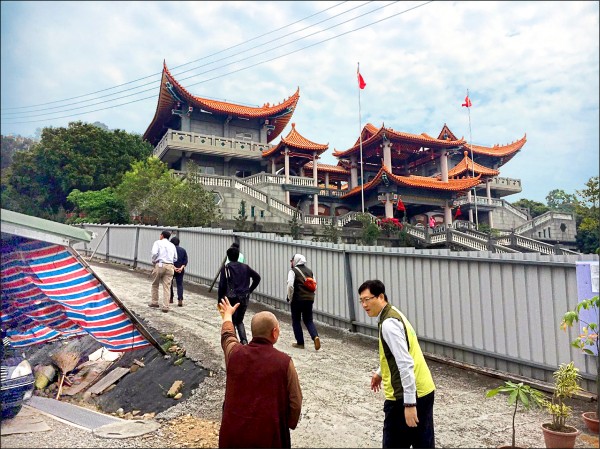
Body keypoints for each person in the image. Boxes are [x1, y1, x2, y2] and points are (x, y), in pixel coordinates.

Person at [358, 279, 435, 448]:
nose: (364, 305)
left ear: (380, 297)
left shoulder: (388, 324)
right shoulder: (393, 314)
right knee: (423, 443)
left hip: (407, 396)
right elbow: (398, 353)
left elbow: (405, 362)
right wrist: (380, 372)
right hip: (424, 389)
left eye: (367, 299)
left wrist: (409, 404)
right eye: (361, 301)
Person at [217, 297, 302, 448]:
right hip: (270, 437)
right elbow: (295, 402)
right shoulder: (284, 362)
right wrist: (288, 423)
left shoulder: (235, 354)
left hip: (233, 436)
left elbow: (227, 337)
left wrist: (228, 315)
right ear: (274, 332)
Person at [217, 246, 260, 345]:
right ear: (238, 256)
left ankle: (233, 342)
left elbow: (222, 285)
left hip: (231, 299)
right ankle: (244, 341)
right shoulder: (245, 267)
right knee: (240, 320)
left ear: (228, 257)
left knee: (230, 320)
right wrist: (250, 290)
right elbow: (257, 277)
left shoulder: (226, 268)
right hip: (244, 297)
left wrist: (220, 300)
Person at [287, 254, 321, 350]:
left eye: (292, 260)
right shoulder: (310, 271)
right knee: (308, 320)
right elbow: (315, 285)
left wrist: (290, 297)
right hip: (309, 299)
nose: (291, 262)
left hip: (297, 299)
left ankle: (300, 343)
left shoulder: (293, 271)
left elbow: (290, 285)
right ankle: (315, 337)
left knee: (296, 320)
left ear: (295, 261)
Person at [150, 230, 177, 313]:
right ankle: (165, 306)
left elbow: (154, 253)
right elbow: (175, 258)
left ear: (162, 235)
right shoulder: (172, 245)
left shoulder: (158, 242)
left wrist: (154, 261)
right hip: (170, 266)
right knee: (167, 287)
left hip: (160, 264)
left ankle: (154, 302)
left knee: (155, 284)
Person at [169, 236, 188, 307]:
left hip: (171, 268)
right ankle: (180, 299)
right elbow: (185, 261)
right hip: (181, 270)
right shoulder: (183, 250)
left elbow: (169, 260)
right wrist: (181, 268)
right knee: (179, 284)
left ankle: (170, 298)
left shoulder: (170, 250)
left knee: (169, 283)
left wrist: (174, 268)